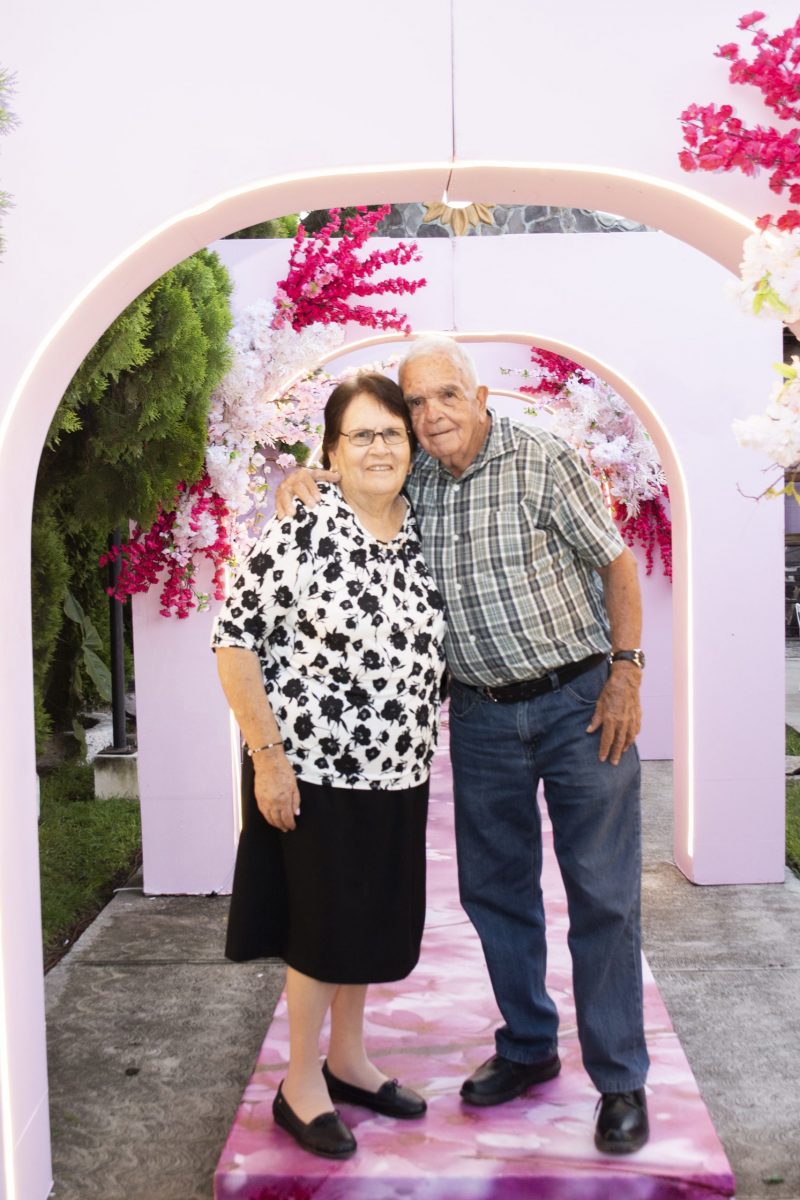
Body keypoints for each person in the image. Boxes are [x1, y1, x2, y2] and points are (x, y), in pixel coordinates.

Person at [276, 335, 650, 1155]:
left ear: (481, 398)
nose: (431, 414)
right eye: (415, 402)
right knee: (496, 892)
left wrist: (626, 671)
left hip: (580, 704)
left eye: (447, 395)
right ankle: (527, 1046)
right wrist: (300, 478)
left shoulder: (543, 459)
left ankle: (621, 1079)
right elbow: (352, 474)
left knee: (602, 893)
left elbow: (617, 564)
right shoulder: (412, 475)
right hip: (480, 716)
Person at [213, 373, 446, 1160]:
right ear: (333, 451)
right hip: (314, 774)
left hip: (400, 770)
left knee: (366, 922)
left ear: (410, 447)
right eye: (361, 435)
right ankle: (300, 1082)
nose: (380, 448)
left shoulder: (422, 526)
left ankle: (348, 1060)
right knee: (318, 932)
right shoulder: (304, 527)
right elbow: (234, 641)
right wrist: (267, 759)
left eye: (392, 433)